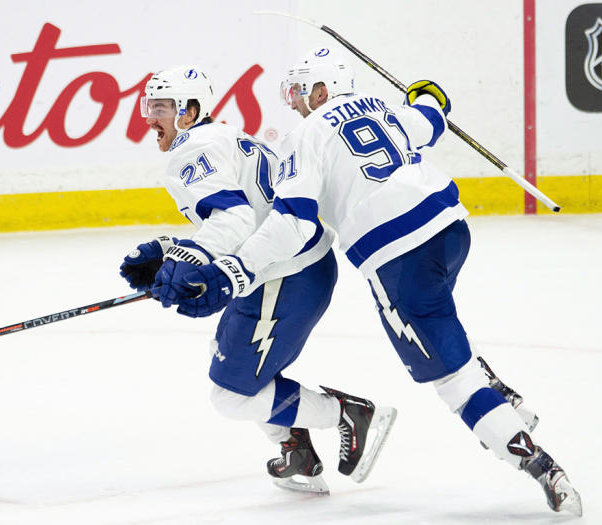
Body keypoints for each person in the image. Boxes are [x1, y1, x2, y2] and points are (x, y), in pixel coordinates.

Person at [155, 49, 582, 516]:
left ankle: (543, 467)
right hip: (452, 229)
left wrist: (235, 270)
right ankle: (495, 388)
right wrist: (428, 94)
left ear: (320, 90)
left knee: (450, 377)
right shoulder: (381, 108)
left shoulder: (307, 134)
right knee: (440, 320)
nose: (295, 103)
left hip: (398, 256)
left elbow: (292, 222)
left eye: (299, 91)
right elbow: (431, 117)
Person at [119, 65, 396, 493]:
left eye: (162, 108)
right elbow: (243, 215)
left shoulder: (190, 149)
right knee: (226, 358)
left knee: (231, 396)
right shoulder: (225, 136)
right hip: (283, 269)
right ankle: (297, 451)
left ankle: (346, 413)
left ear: (190, 111)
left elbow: (233, 218)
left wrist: (189, 259)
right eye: (148, 106)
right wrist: (171, 251)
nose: (150, 117)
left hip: (285, 276)